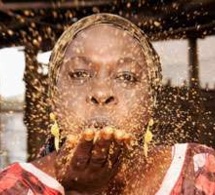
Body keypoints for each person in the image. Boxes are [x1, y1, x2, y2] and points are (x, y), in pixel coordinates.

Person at [0, 13, 215, 195]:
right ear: (55, 98)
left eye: (126, 77)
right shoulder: (15, 186)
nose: (101, 93)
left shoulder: (199, 170)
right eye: (80, 74)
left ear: (150, 101)